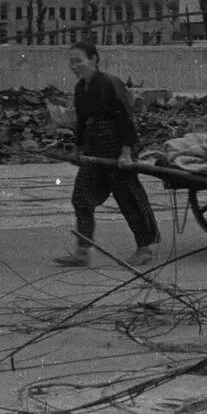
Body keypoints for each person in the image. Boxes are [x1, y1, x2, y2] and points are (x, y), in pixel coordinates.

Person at [55, 41, 161, 268]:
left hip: (117, 146)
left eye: (78, 60)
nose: (74, 66)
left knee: (128, 198)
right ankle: (83, 252)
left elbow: (125, 118)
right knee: (81, 197)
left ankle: (145, 249)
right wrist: (77, 149)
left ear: (93, 60)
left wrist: (126, 153)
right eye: (70, 62)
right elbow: (82, 122)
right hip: (94, 148)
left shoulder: (110, 83)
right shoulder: (80, 88)